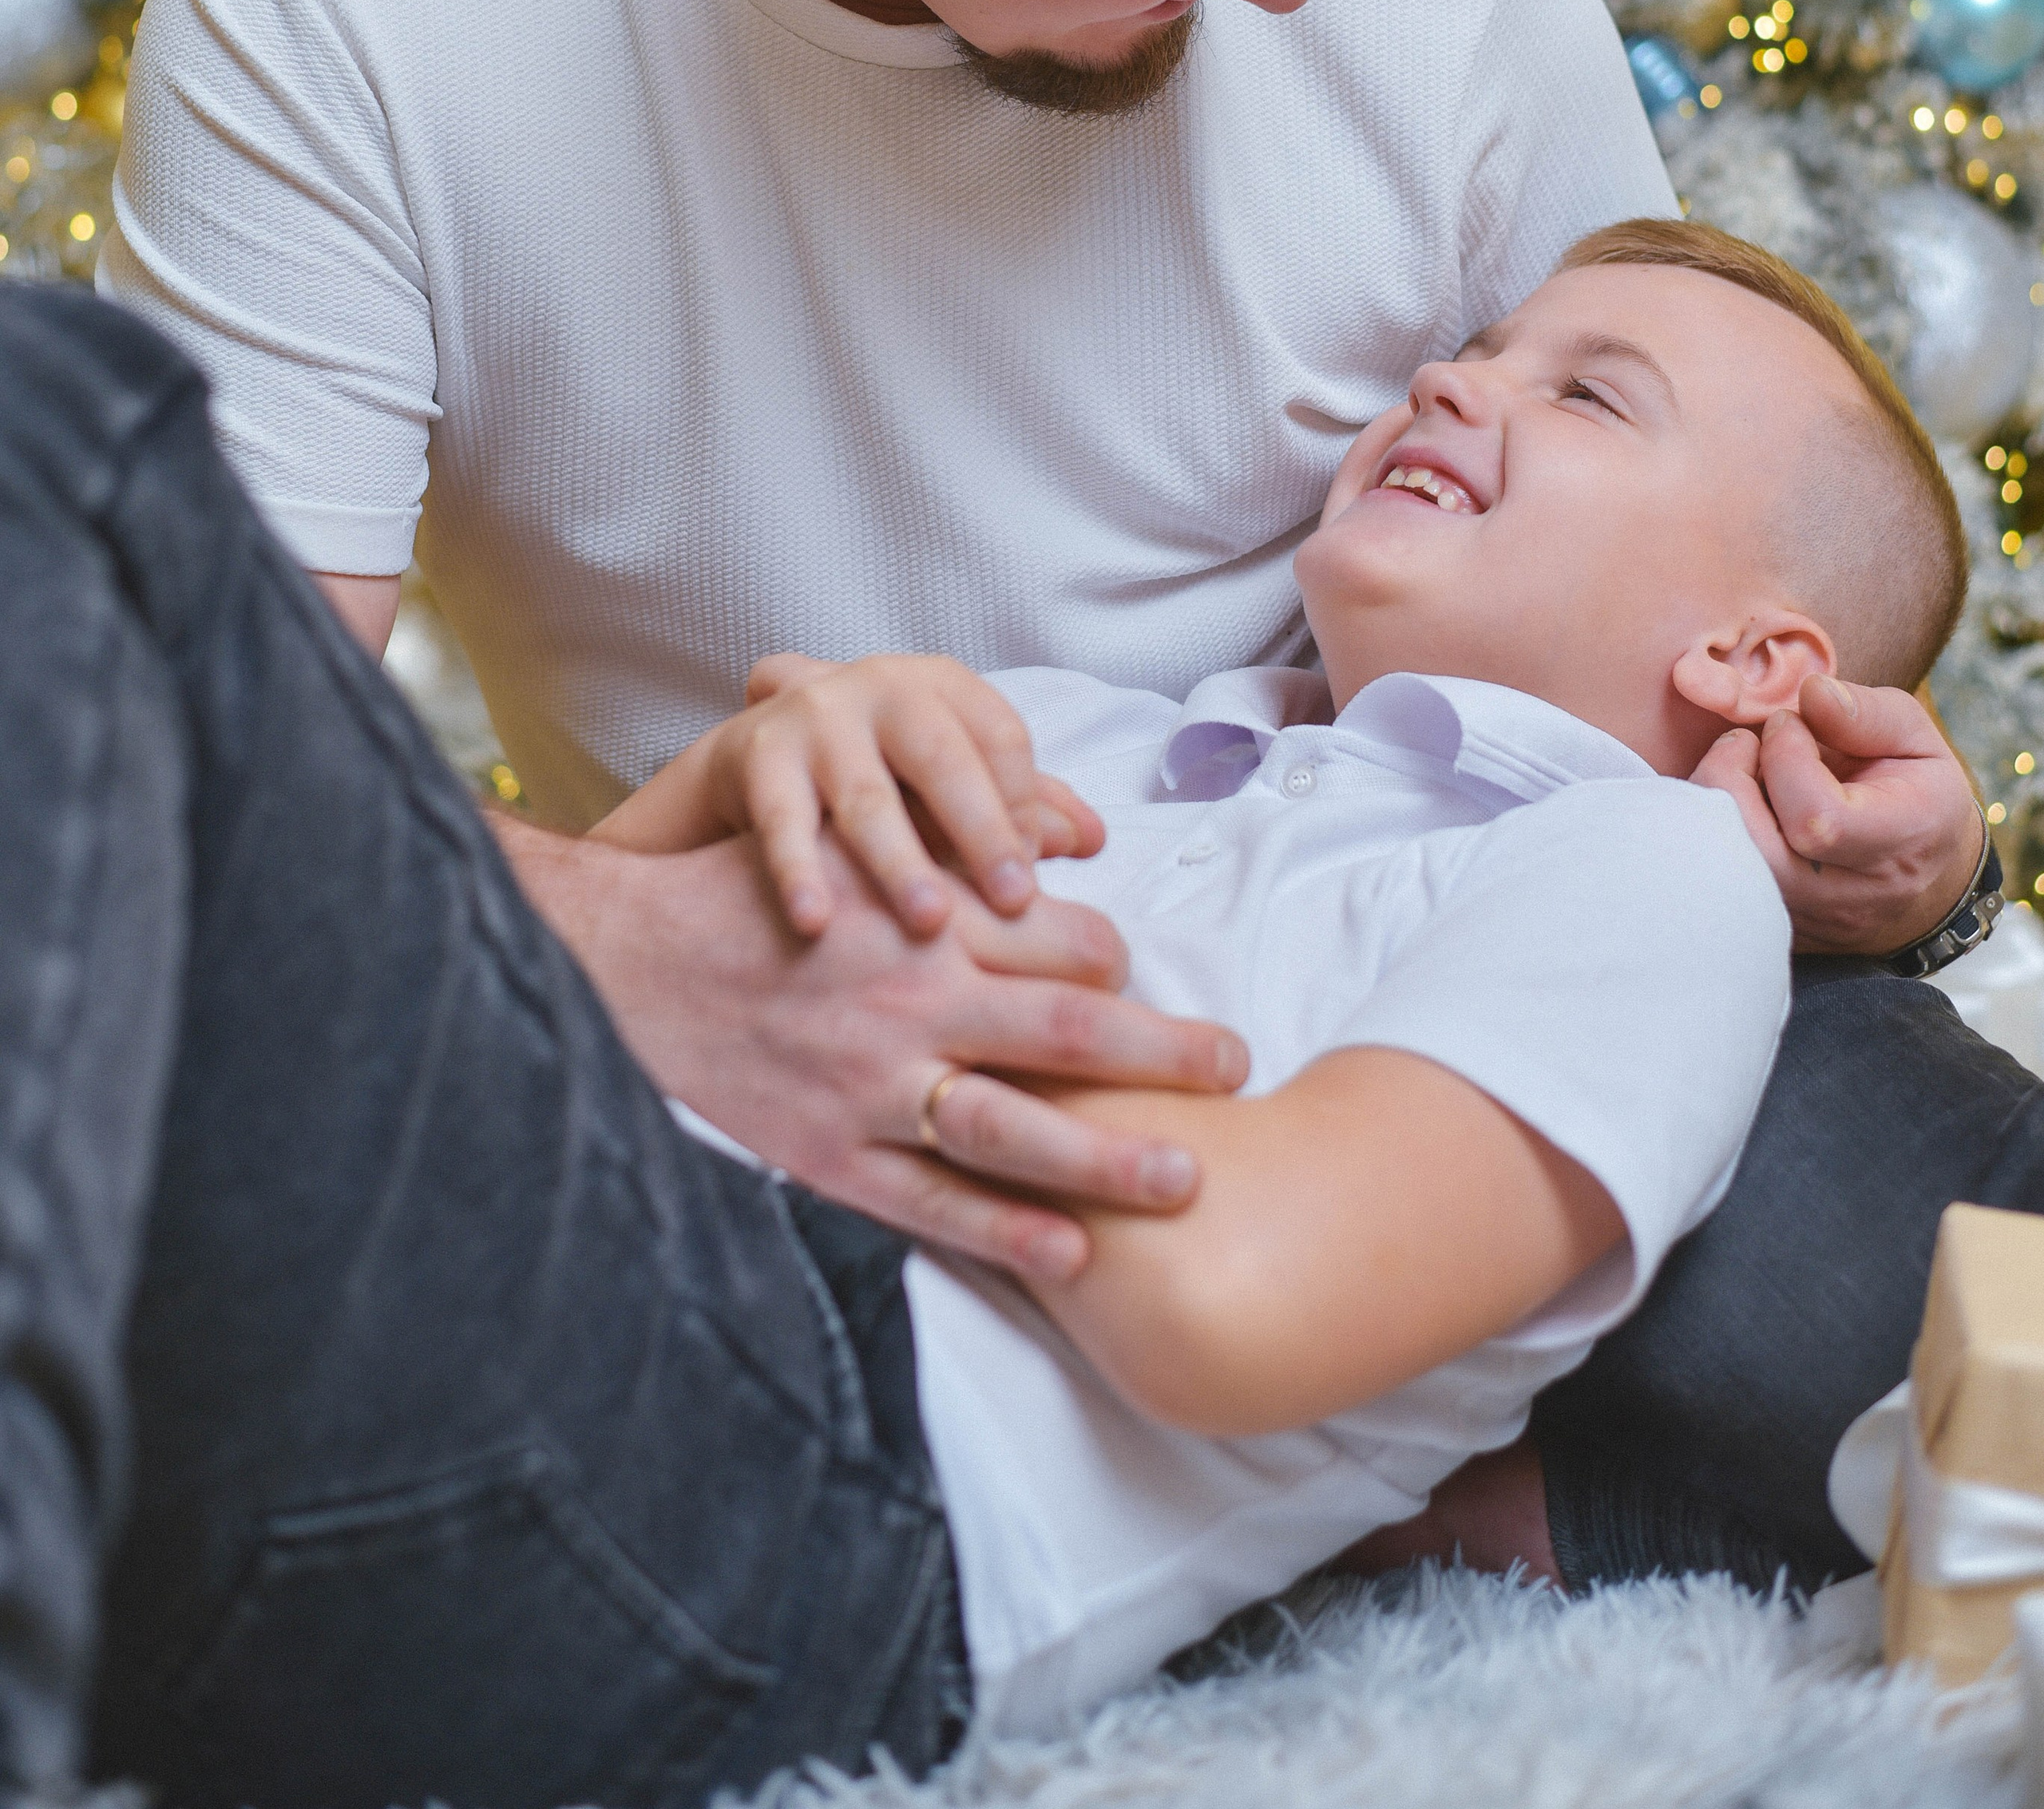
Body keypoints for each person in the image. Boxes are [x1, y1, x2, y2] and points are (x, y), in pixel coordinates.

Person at [97, 0, 1991, 1570]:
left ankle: (1383, 1494)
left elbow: (1706, 536)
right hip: (823, 1027)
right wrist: (633, 949)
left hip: (1412, 993)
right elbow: (186, 763)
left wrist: (1891, 862)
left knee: (1880, 1239)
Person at [0, 224, 1998, 1804]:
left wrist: (889, 1038)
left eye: (1587, 392)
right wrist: (749, 780)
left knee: (73, 432)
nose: (1461, 377)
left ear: (1749, 651)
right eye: (1479, 346)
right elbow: (624, 991)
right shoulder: (1074, 731)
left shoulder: (1630, 873)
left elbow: (1236, 1309)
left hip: (801, 1490)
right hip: (546, 1285)